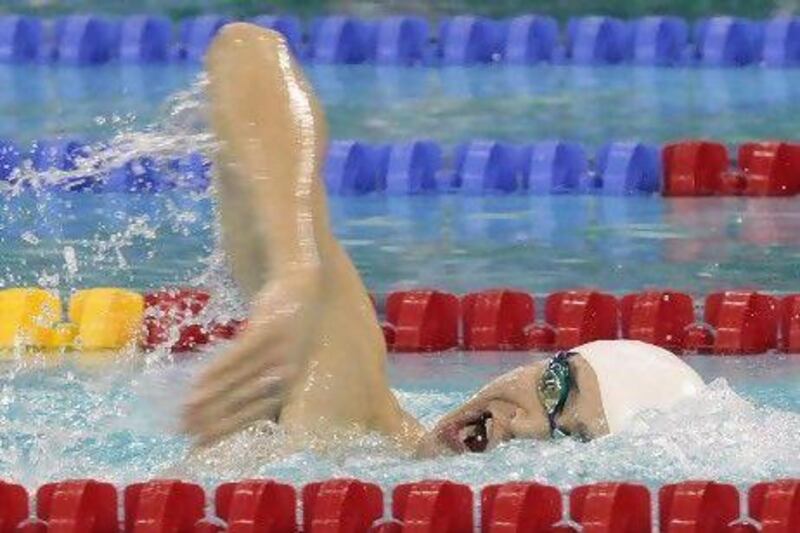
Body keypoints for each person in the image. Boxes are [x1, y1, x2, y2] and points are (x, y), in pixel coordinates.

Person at [182, 23, 705, 457]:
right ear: (538, 364)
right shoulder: (351, 413)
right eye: (553, 387)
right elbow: (247, 50)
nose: (524, 427)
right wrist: (296, 267)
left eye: (569, 435)